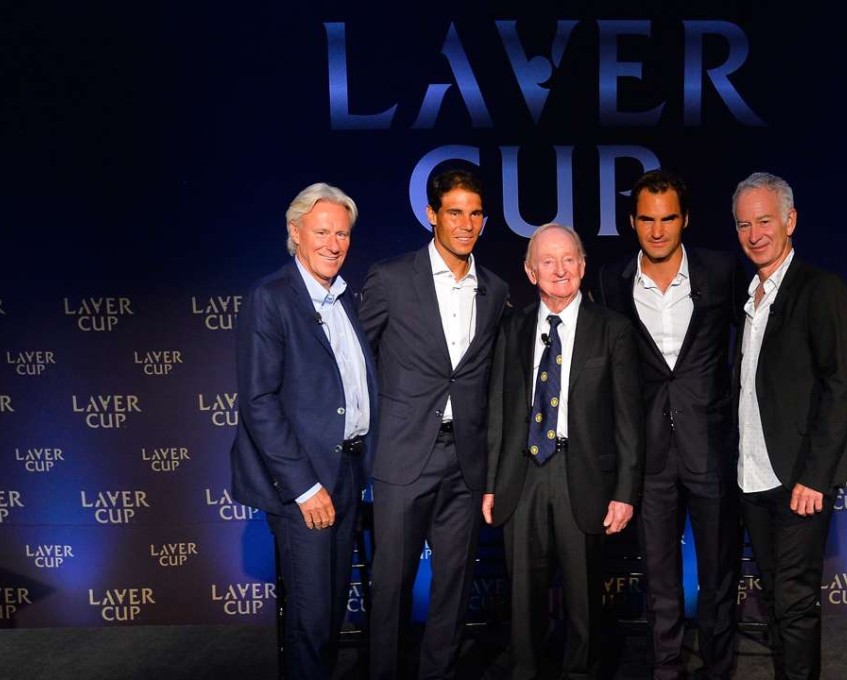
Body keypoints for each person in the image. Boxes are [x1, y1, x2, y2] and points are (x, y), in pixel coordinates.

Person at [359, 167, 509, 679]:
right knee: (393, 584)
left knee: (453, 586)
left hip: (465, 462)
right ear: (432, 215)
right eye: (454, 212)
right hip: (403, 458)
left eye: (475, 213)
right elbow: (357, 362)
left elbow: (490, 382)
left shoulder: (494, 289)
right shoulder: (391, 278)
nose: (466, 223)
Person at [599, 169, 745, 679]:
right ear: (632, 222)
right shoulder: (611, 281)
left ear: (685, 220)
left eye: (667, 219)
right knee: (659, 577)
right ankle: (666, 669)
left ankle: (719, 669)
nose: (657, 231)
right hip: (650, 455)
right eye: (646, 219)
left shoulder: (722, 272)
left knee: (718, 576)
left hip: (711, 448)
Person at [483, 223, 644, 679]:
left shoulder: (612, 329)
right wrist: (492, 483)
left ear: (583, 266)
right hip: (523, 477)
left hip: (586, 477)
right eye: (548, 262)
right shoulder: (512, 328)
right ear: (530, 271)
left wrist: (625, 491)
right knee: (523, 603)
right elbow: (499, 409)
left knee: (584, 602)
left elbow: (629, 420)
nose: (560, 270)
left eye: (569, 259)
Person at [231, 182, 377, 680]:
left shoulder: (344, 297)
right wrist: (305, 487)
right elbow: (258, 401)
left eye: (343, 233)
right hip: (307, 486)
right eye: (322, 231)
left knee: (332, 612)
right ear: (296, 233)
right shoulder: (271, 298)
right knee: (310, 621)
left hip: (347, 474)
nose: (334, 243)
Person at [731, 172, 847, 680]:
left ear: (790, 220)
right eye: (744, 224)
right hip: (753, 478)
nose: (754, 233)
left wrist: (815, 477)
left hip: (799, 481)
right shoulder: (748, 298)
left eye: (765, 220)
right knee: (776, 600)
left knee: (794, 602)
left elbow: (840, 386)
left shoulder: (819, 288)